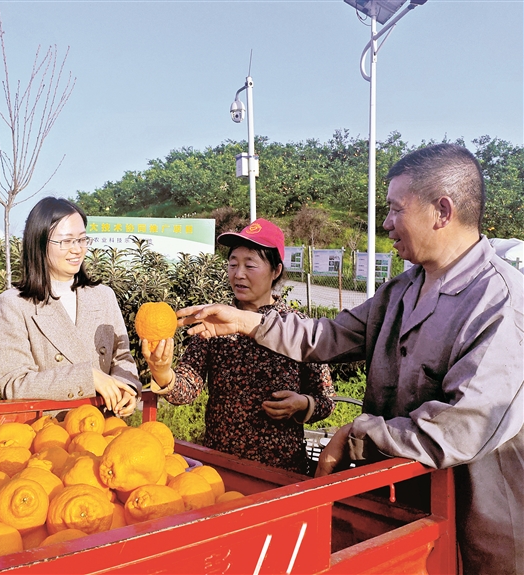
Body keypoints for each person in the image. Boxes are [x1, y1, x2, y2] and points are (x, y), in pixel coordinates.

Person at [177, 144, 524, 574]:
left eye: (396, 208)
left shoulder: (501, 303)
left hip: (477, 524)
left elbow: (461, 427)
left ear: (442, 210)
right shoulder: (400, 291)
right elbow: (330, 335)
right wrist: (247, 323)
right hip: (404, 507)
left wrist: (360, 433)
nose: (386, 222)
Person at [142, 219, 334, 474]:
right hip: (220, 468)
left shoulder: (297, 327)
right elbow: (186, 390)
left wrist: (303, 404)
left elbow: (325, 399)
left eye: (250, 265)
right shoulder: (214, 319)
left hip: (281, 471)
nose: (238, 274)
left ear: (276, 271)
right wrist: (162, 371)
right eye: (233, 264)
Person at [0, 197, 140, 416]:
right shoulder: (15, 304)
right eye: (66, 241)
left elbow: (122, 358)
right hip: (49, 437)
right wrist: (85, 378)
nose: (77, 249)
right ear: (39, 243)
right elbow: (14, 383)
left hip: (104, 429)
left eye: (81, 240)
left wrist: (126, 387)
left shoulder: (103, 296)